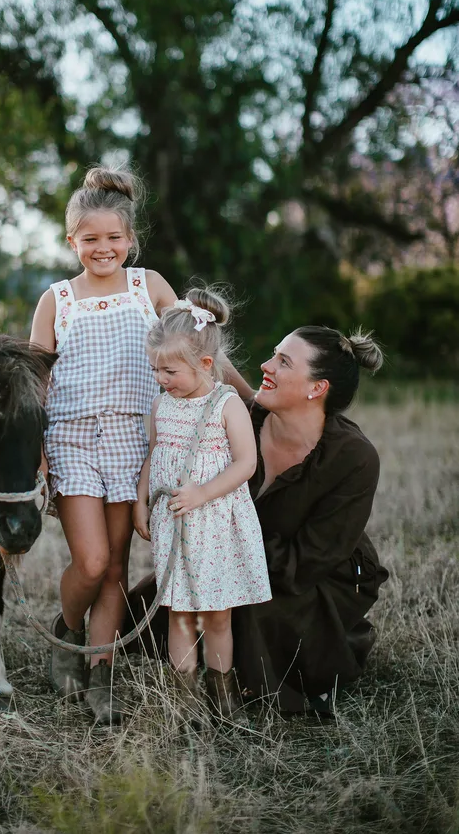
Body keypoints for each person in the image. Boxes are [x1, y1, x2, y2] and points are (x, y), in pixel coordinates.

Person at [126, 325, 389, 719]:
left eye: (283, 362)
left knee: (239, 605)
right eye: (273, 353)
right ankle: (182, 685)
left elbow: (312, 559)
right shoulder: (240, 417)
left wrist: (232, 556)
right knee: (156, 599)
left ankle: (239, 689)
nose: (266, 365)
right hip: (217, 548)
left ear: (317, 388)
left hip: (312, 577)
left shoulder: (354, 459)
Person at [30, 166, 176, 726]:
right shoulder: (57, 299)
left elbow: (196, 348)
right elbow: (34, 380)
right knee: (89, 562)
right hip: (69, 438)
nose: (104, 248)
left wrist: (242, 395)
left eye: (114, 238)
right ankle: (67, 632)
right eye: (90, 239)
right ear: (73, 243)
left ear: (131, 240)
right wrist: (36, 449)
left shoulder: (150, 287)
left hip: (134, 439)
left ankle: (101, 673)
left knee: (115, 567)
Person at [132, 289, 272, 718]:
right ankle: (185, 696)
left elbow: (247, 463)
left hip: (216, 523)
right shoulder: (161, 404)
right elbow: (153, 455)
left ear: (205, 365)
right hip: (175, 523)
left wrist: (202, 494)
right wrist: (141, 502)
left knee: (216, 616)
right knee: (177, 614)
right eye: (155, 369)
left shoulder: (226, 404)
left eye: (169, 370)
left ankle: (224, 692)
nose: (161, 378)